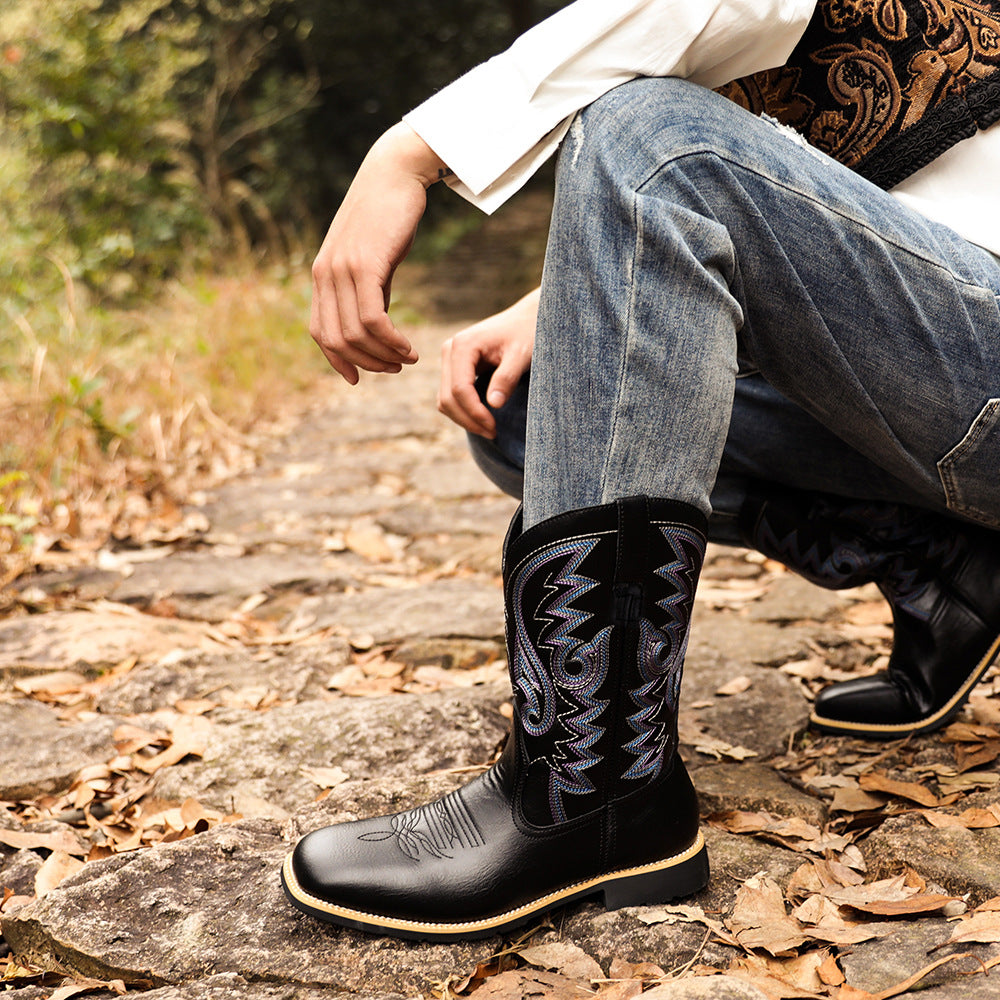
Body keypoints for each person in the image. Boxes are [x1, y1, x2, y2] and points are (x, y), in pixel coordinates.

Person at [282, 0, 1000, 941]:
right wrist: (577, 291)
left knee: (648, 136)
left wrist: (408, 152)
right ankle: (948, 569)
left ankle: (593, 795)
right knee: (531, 408)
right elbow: (861, 196)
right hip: (942, 361)